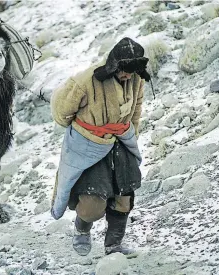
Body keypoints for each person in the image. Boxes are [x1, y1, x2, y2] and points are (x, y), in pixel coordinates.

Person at [50, 37, 151, 256]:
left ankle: (113, 245)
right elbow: (60, 112)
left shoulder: (135, 79)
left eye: (131, 72)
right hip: (90, 144)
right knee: (92, 205)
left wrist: (131, 135)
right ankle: (81, 230)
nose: (127, 76)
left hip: (121, 142)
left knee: (124, 197)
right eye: (124, 71)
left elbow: (136, 109)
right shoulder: (86, 81)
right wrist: (83, 131)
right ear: (114, 64)